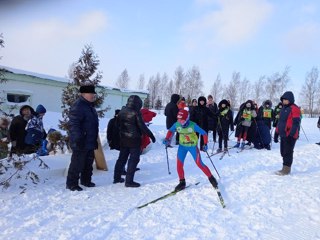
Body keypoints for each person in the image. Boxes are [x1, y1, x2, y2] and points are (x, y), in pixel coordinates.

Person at [163, 109, 218, 191]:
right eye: (178, 119)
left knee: (199, 163)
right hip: (182, 147)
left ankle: (212, 179)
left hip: (192, 146)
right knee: (179, 165)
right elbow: (170, 130)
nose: (180, 122)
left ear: (187, 119)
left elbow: (204, 133)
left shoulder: (193, 125)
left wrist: (205, 144)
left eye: (182, 120)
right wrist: (167, 138)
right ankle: (182, 182)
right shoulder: (177, 124)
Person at [113, 95, 156, 188]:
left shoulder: (122, 110)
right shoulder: (136, 113)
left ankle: (116, 178)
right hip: (134, 140)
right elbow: (142, 127)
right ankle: (129, 181)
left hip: (123, 138)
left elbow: (117, 124)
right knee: (133, 160)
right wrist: (151, 135)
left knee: (122, 158)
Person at [66, 85, 99, 191]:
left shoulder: (89, 106)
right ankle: (71, 184)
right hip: (81, 140)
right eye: (91, 93)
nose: (93, 95)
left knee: (88, 162)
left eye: (94, 93)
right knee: (77, 163)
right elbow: (74, 124)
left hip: (89, 140)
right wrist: (77, 139)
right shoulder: (79, 105)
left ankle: (86, 180)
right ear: (83, 94)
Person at [275, 91, 301, 175]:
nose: (284, 101)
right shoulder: (283, 108)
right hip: (283, 134)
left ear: (290, 99)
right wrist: (276, 133)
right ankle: (284, 167)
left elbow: (296, 123)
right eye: (283, 100)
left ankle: (286, 169)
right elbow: (280, 122)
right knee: (283, 151)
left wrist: (291, 134)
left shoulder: (294, 108)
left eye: (286, 100)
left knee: (288, 151)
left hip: (290, 135)